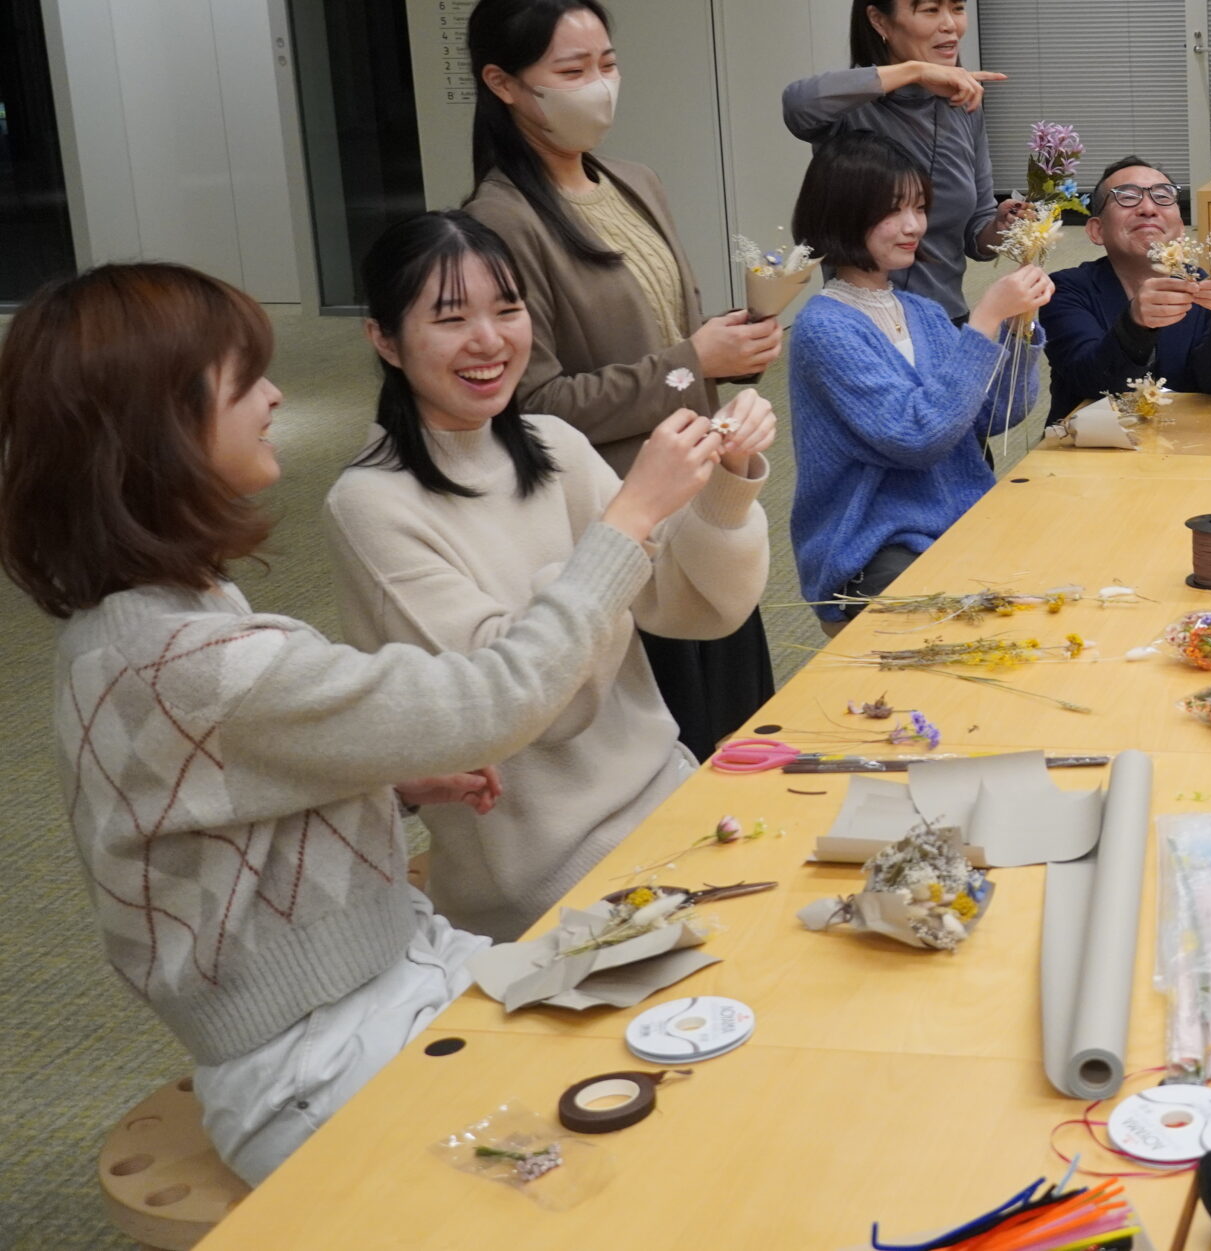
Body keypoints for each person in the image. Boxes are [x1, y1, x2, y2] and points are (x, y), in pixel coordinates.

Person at [0, 262, 719, 1183]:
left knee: (683, 1023)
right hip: (321, 1055)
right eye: (244, 380)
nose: (275, 395)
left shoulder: (139, 624)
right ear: (157, 425)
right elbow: (499, 699)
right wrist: (629, 520)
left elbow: (206, 799)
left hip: (395, 974)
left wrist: (383, 779)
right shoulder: (193, 654)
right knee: (643, 1153)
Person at [324, 213, 774, 941]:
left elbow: (696, 607)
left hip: (671, 799)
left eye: (508, 310)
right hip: (543, 880)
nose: (489, 340)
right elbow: (526, 706)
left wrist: (729, 479)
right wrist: (629, 517)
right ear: (385, 339)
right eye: (451, 318)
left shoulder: (554, 444)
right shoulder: (370, 505)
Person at [461, 0, 778, 759]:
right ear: (503, 83)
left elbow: (665, 333)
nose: (600, 86)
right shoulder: (499, 220)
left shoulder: (634, 181)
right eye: (572, 70)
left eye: (607, 63)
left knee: (743, 728)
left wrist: (725, 349)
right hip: (621, 516)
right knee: (679, 743)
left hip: (701, 500)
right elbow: (538, 402)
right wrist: (690, 361)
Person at [789, 131, 1052, 619]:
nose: (914, 225)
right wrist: (985, 320)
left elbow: (997, 414)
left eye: (919, 207)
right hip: (874, 545)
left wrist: (1019, 328)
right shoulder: (823, 328)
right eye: (893, 210)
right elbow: (917, 436)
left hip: (958, 521)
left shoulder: (922, 312)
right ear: (842, 212)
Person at [780, 0, 1030, 317]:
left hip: (945, 320)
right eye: (930, 10)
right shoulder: (850, 105)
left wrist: (1002, 223)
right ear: (879, 20)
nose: (951, 25)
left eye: (958, 7)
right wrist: (914, 71)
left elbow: (975, 234)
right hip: (864, 323)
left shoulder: (964, 104)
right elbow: (798, 105)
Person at [1041, 155, 1211, 423]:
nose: (1148, 208)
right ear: (1097, 230)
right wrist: (1135, 325)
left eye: (1162, 197)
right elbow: (1089, 383)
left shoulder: (1201, 284)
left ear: (1180, 229)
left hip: (1185, 440)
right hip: (1089, 442)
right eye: (1127, 197)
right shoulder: (1067, 288)